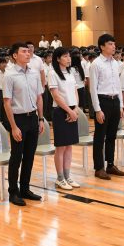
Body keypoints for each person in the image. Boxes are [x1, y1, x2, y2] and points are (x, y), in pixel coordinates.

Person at [3, 42, 45, 207]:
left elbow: (39, 97)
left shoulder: (34, 73)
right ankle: (13, 192)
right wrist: (13, 127)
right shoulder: (10, 75)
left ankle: (25, 189)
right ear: (15, 55)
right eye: (24, 51)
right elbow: (7, 103)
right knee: (16, 157)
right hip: (18, 119)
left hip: (32, 118)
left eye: (29, 51)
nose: (28, 54)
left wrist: (41, 119)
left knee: (29, 156)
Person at [89, 34, 124, 179]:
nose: (113, 46)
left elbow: (118, 85)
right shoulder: (96, 64)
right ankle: (99, 168)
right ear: (102, 46)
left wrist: (121, 105)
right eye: (110, 44)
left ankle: (110, 164)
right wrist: (97, 110)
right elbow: (93, 89)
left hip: (115, 100)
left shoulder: (115, 63)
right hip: (103, 101)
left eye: (114, 44)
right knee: (100, 136)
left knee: (112, 135)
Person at [48, 47, 81, 189]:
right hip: (60, 111)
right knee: (61, 147)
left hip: (72, 110)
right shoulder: (52, 73)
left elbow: (75, 91)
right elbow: (56, 96)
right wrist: (69, 111)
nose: (69, 59)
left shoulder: (70, 72)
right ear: (57, 59)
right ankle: (60, 178)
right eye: (65, 56)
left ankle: (68, 176)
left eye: (69, 56)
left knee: (69, 146)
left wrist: (76, 109)